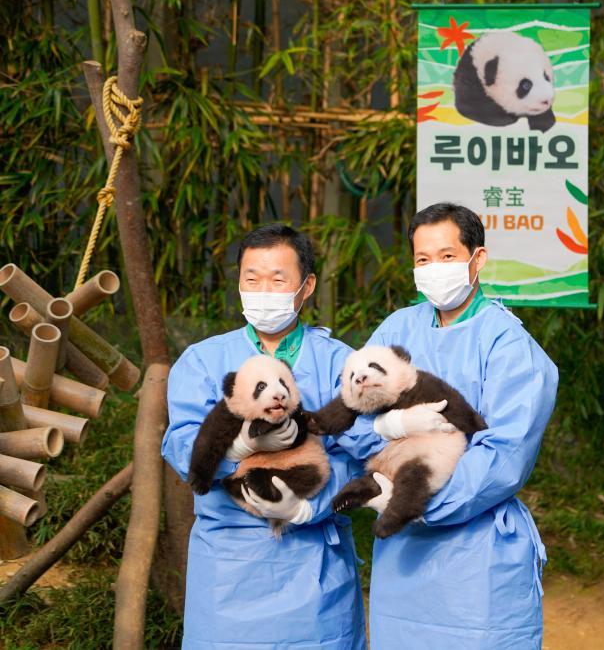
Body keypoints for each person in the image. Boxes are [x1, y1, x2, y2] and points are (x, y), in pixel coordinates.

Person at [161, 224, 445, 649]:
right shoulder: (202, 361)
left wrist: (308, 508)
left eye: (278, 280)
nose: (263, 290)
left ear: (307, 285)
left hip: (313, 568)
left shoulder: (340, 362)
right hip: (228, 568)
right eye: (251, 279)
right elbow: (180, 444)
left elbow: (366, 452)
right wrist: (238, 447)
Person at [348, 202, 559, 649]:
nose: (434, 269)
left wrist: (414, 499)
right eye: (422, 260)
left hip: (475, 554)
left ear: (477, 259)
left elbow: (504, 454)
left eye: (447, 256)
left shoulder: (508, 344)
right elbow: (352, 415)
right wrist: (389, 430)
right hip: (402, 558)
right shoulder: (397, 330)